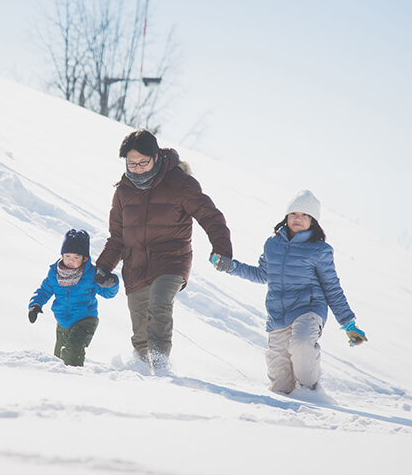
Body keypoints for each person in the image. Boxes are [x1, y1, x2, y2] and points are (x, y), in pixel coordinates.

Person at [94, 129, 233, 371]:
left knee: (159, 303)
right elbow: (117, 236)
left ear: (156, 157)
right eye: (131, 163)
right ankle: (140, 369)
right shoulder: (123, 191)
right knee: (140, 327)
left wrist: (222, 249)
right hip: (135, 265)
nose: (136, 168)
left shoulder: (180, 184)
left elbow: (210, 216)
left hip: (171, 261)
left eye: (142, 163)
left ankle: (160, 365)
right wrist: (104, 266)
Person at [211, 189, 367, 393]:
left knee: (301, 345)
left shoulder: (320, 250)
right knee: (280, 386)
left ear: (313, 220)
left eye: (304, 215)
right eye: (294, 214)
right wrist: (231, 266)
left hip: (308, 309)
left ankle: (310, 391)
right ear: (286, 216)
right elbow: (262, 274)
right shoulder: (272, 244)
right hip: (278, 315)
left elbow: (332, 287)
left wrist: (348, 324)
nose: (298, 219)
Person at [28, 229, 119, 366]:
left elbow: (108, 294)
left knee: (72, 351)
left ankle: (76, 380)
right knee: (58, 360)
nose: (71, 261)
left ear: (85, 259)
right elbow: (44, 290)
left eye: (76, 258)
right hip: (62, 322)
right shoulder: (55, 273)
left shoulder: (90, 275)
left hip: (85, 320)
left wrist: (110, 283)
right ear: (62, 255)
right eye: (67, 256)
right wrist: (35, 305)